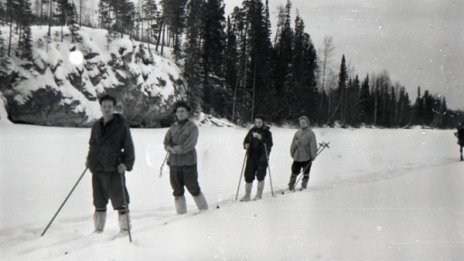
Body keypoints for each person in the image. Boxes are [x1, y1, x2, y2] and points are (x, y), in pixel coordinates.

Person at [86, 94, 135, 233]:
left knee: (120, 199)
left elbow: (129, 147)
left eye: (109, 106)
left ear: (114, 108)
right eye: (104, 106)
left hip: (115, 168)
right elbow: (92, 145)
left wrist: (126, 164)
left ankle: (125, 229)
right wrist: (89, 160)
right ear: (100, 107)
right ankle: (98, 229)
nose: (107, 109)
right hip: (98, 168)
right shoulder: (96, 125)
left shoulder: (121, 125)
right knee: (99, 201)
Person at [164, 101, 208, 214]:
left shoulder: (192, 127)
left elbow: (190, 144)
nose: (180, 113)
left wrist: (176, 149)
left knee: (193, 187)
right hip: (174, 163)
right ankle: (181, 214)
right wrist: (168, 148)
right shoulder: (172, 127)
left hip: (188, 162)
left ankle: (204, 211)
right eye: (178, 111)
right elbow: (166, 142)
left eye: (183, 111)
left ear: (188, 113)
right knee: (177, 189)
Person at [240, 114, 273, 201]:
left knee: (260, 175)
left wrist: (261, 138)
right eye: (256, 122)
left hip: (262, 156)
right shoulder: (252, 130)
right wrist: (246, 144)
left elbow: (270, 144)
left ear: (263, 122)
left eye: (259, 122)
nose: (257, 124)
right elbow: (246, 140)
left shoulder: (267, 132)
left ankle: (259, 194)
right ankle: (247, 195)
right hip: (251, 156)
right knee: (248, 175)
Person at [288, 116, 317, 190]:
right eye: (301, 122)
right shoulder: (297, 133)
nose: (302, 124)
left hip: (306, 156)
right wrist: (292, 152)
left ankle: (304, 186)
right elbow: (293, 144)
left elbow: (313, 145)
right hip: (297, 156)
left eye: (304, 122)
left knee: (306, 172)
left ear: (307, 123)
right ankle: (291, 185)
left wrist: (313, 155)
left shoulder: (311, 133)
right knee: (294, 170)